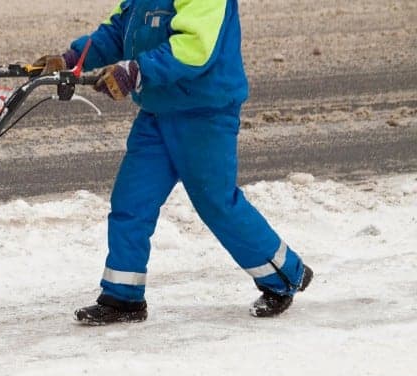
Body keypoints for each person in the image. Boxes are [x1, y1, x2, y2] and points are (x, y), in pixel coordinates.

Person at [34, 0, 313, 325]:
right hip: (157, 111)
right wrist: (72, 59)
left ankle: (285, 275)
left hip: (204, 113)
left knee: (217, 204)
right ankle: (123, 297)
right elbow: (117, 32)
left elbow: (194, 47)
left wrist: (136, 71)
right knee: (130, 201)